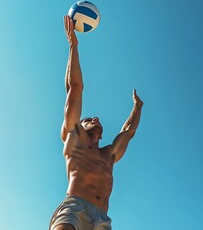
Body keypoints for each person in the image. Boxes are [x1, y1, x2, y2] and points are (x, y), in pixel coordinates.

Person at [49, 16, 144, 230]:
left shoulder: (108, 154)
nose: (96, 119)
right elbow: (74, 88)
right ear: (80, 125)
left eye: (97, 119)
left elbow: (128, 131)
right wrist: (73, 45)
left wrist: (138, 107)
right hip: (75, 207)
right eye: (89, 119)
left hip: (102, 218)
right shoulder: (74, 135)